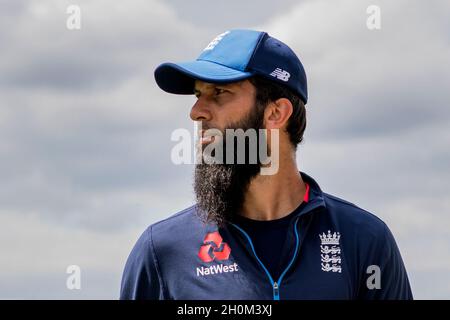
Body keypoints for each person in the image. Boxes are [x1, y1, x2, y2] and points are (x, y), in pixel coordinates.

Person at [120, 29, 413, 300]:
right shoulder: (162, 251)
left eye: (219, 92)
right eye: (198, 95)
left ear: (276, 112)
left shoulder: (365, 240)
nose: (196, 112)